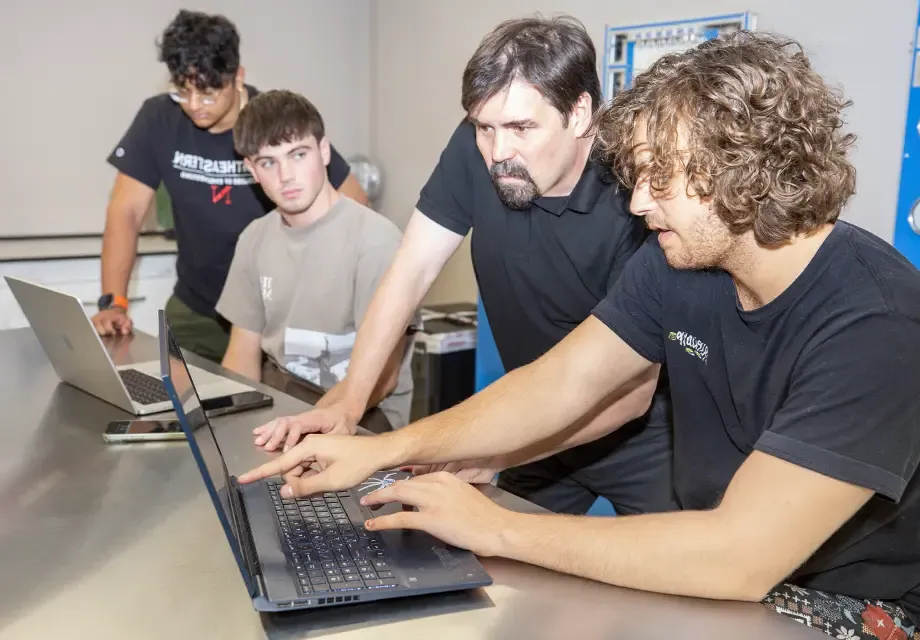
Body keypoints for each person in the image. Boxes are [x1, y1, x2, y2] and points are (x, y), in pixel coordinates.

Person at [239, 31, 920, 640]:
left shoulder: (880, 324)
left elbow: (740, 554)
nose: (638, 202)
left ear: (743, 172)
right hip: (725, 570)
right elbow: (561, 383)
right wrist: (386, 449)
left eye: (661, 180)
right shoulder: (677, 261)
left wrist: (496, 529)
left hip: (852, 608)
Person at [249, 15, 678, 517]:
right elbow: (409, 273)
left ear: (580, 113)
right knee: (497, 578)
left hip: (640, 436)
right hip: (529, 414)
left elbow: (630, 392)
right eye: (484, 127)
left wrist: (497, 451)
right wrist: (349, 401)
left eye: (521, 127)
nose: (498, 153)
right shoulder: (482, 144)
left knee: (662, 590)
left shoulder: (637, 192)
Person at [93, 9, 368, 362]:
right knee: (177, 411)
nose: (194, 106)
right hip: (197, 307)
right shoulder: (158, 119)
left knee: (273, 411)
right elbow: (126, 212)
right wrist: (113, 301)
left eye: (208, 93)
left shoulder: (272, 122)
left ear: (237, 77)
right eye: (182, 91)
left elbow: (355, 208)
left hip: (274, 313)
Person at [215, 90, 413, 431]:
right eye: (268, 162)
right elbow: (242, 356)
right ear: (251, 169)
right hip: (283, 401)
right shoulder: (254, 239)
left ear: (323, 152)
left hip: (365, 414)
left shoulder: (377, 240)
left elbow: (385, 376)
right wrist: (228, 427)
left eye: (297, 154)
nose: (285, 176)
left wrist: (304, 426)